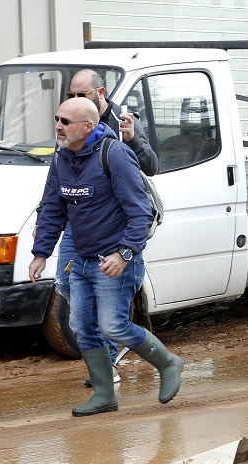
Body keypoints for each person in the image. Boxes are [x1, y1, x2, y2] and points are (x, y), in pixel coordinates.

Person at [30, 98, 183, 417]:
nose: (58, 126)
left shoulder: (114, 154)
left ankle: (168, 362)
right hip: (83, 260)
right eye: (56, 119)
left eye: (65, 121)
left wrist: (124, 252)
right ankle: (104, 395)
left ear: (88, 126)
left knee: (113, 325)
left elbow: (140, 213)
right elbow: (53, 209)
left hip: (116, 259)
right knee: (82, 326)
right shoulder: (61, 160)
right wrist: (41, 253)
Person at [51, 69, 159, 386]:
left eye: (81, 95)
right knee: (68, 286)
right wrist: (47, 217)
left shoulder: (125, 122)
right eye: (71, 95)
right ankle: (103, 357)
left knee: (108, 301)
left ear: (101, 93)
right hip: (77, 223)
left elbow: (151, 167)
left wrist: (133, 139)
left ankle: (109, 362)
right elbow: (59, 174)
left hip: (113, 225)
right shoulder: (68, 121)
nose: (74, 100)